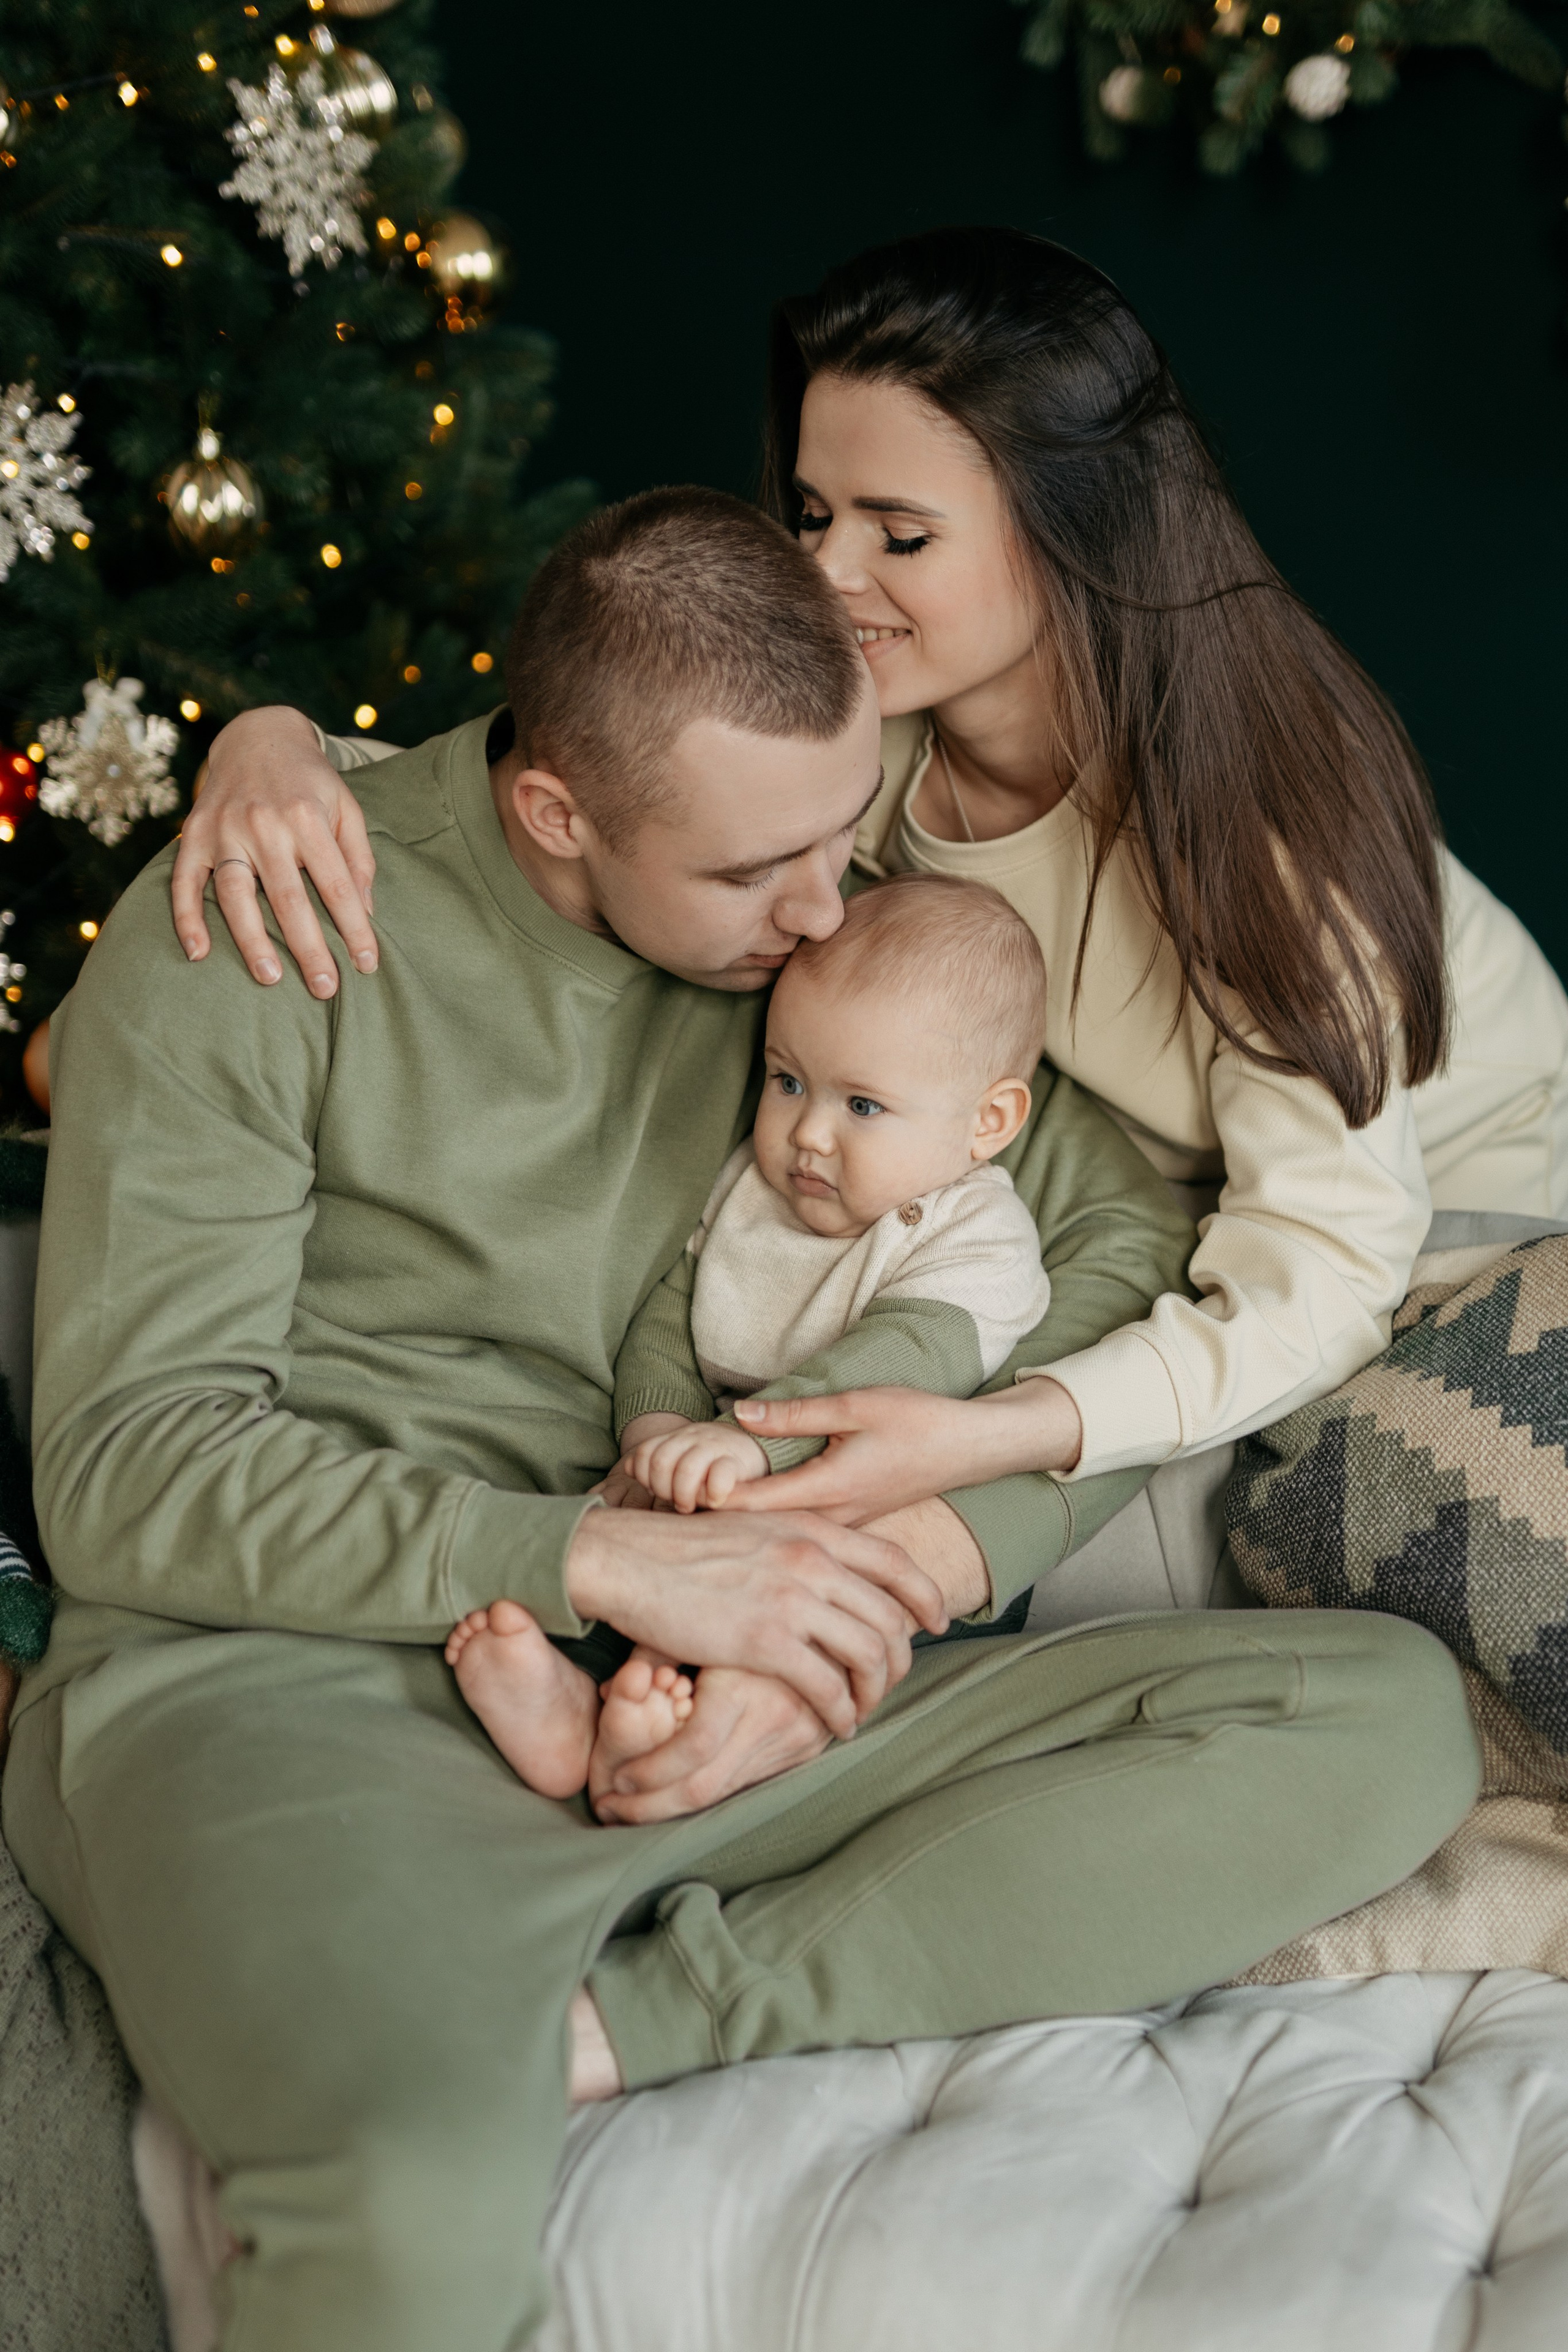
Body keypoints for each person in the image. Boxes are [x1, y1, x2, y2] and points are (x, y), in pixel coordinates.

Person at [4, 484, 1478, 2352]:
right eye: (751, 874)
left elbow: (1118, 1224)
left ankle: (642, 2016)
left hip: (687, 1685)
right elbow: (130, 1472)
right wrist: (605, 1556)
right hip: (282, 1694)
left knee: (1365, 1717)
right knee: (411, 2199)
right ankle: (492, 1986)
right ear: (556, 813)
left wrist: (894, 1567)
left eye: (841, 835)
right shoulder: (259, 920)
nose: (820, 913)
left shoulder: (810, 949)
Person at [180, 228, 1568, 1534]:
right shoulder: (874, 736)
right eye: (807, 510)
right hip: (1108, 1212)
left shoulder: (1251, 825)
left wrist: (995, 1432)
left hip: (1447, 1245)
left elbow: (1317, 1271)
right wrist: (277, 742)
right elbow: (600, 788)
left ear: (1076, 529)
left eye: (897, 536)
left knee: (982, 1528)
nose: (823, 573)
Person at [446, 870, 1053, 1806]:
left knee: (800, 1605)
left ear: (989, 1121)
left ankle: (682, 1719)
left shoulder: (973, 1233)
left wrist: (746, 1447)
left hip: (871, 1503)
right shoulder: (756, 1190)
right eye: (788, 1080)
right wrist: (657, 1433)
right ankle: (583, 1698)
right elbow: (672, 1316)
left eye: (861, 1106)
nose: (807, 1134)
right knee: (627, 1528)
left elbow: (897, 1362)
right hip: (732, 1464)